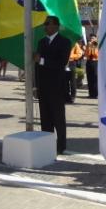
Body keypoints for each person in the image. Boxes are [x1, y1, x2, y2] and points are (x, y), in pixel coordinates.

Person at [34, 15, 72, 154]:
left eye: (47, 24)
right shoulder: (41, 42)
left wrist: (42, 60)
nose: (45, 26)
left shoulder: (64, 42)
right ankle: (47, 143)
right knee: (45, 118)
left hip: (57, 86)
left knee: (58, 118)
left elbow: (61, 63)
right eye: (44, 24)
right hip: (43, 86)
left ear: (55, 26)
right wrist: (35, 86)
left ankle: (61, 146)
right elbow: (36, 67)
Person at [85, 34, 99, 98]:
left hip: (95, 62)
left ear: (96, 39)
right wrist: (88, 47)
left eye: (93, 38)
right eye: (90, 38)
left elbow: (96, 55)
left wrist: (93, 47)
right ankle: (91, 94)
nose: (91, 39)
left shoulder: (97, 45)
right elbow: (86, 54)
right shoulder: (88, 45)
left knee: (95, 78)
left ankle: (96, 94)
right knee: (89, 78)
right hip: (89, 62)